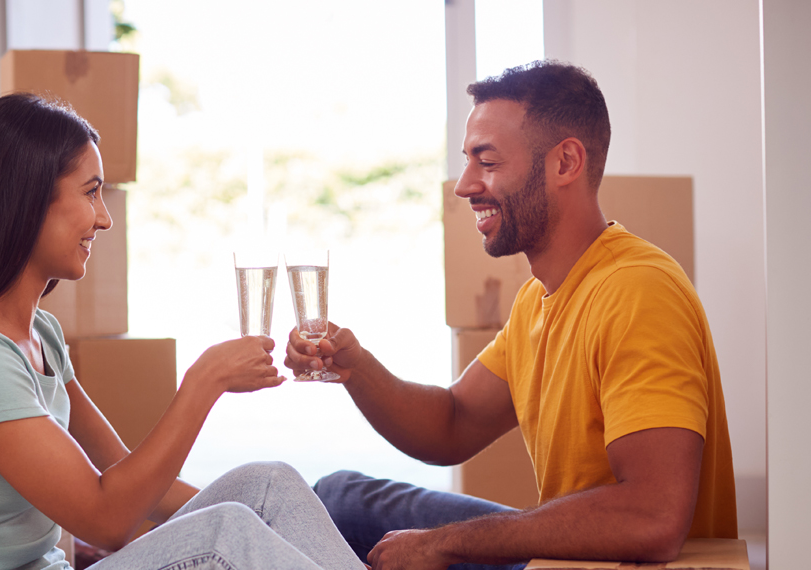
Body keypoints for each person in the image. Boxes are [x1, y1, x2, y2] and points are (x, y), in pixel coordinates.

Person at [0, 93, 365, 570]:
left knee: (268, 485)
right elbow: (106, 519)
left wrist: (257, 519)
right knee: (226, 535)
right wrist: (204, 381)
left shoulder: (39, 333)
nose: (105, 219)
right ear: (24, 200)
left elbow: (120, 474)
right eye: (91, 192)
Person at [285, 61, 737, 570]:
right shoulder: (538, 299)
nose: (464, 185)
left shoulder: (637, 291)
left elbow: (652, 518)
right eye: (468, 161)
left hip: (620, 562)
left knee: (365, 517)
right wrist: (355, 366)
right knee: (338, 496)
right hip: (572, 558)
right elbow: (452, 423)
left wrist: (445, 542)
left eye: (488, 161)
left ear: (565, 163)